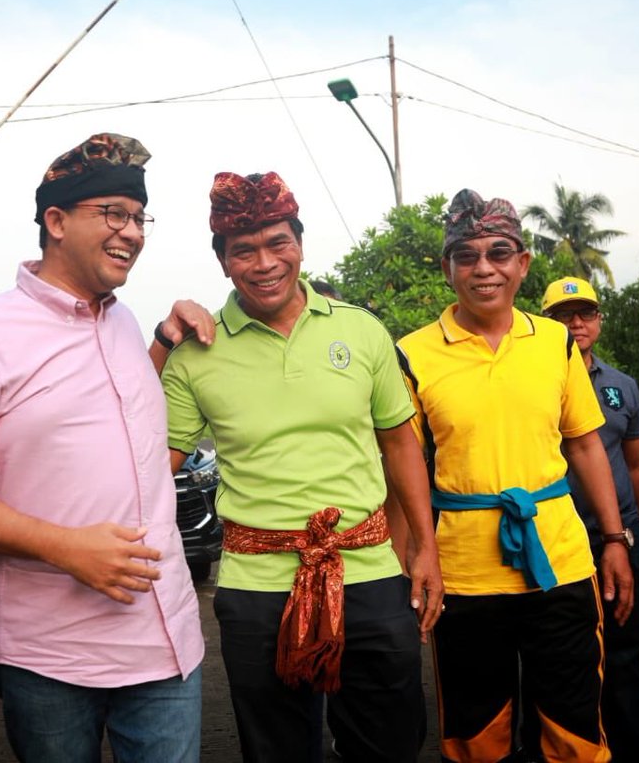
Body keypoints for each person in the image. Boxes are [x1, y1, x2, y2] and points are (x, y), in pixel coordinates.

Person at [0, 133, 212, 763]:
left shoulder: (123, 321)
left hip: (166, 641)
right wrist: (63, 546)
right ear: (55, 220)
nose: (132, 232)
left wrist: (164, 335)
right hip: (50, 653)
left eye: (138, 217)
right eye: (112, 214)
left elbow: (111, 416)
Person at [159, 170, 444, 762]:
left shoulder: (361, 330)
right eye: (244, 250)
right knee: (279, 749)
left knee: (390, 741)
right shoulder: (195, 353)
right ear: (223, 262)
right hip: (256, 583)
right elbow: (147, 462)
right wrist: (162, 342)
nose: (264, 263)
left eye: (277, 243)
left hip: (367, 571)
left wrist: (424, 548)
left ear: (300, 245)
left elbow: (400, 445)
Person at [395, 189, 633, 763]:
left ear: (522, 263)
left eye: (499, 253)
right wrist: (409, 565)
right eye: (466, 255)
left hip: (562, 566)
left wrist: (615, 539)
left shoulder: (554, 341)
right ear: (447, 267)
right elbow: (401, 469)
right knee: (478, 739)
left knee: (574, 731)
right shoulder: (412, 353)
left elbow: (584, 444)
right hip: (465, 576)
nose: (484, 269)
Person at [542, 275, 639, 762]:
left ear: (599, 320)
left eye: (585, 313)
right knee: (560, 664)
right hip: (556, 541)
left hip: (616, 537)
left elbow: (635, 466)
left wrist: (638, 537)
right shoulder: (535, 381)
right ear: (547, 323)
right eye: (565, 315)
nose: (577, 322)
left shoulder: (622, 386)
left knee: (624, 658)